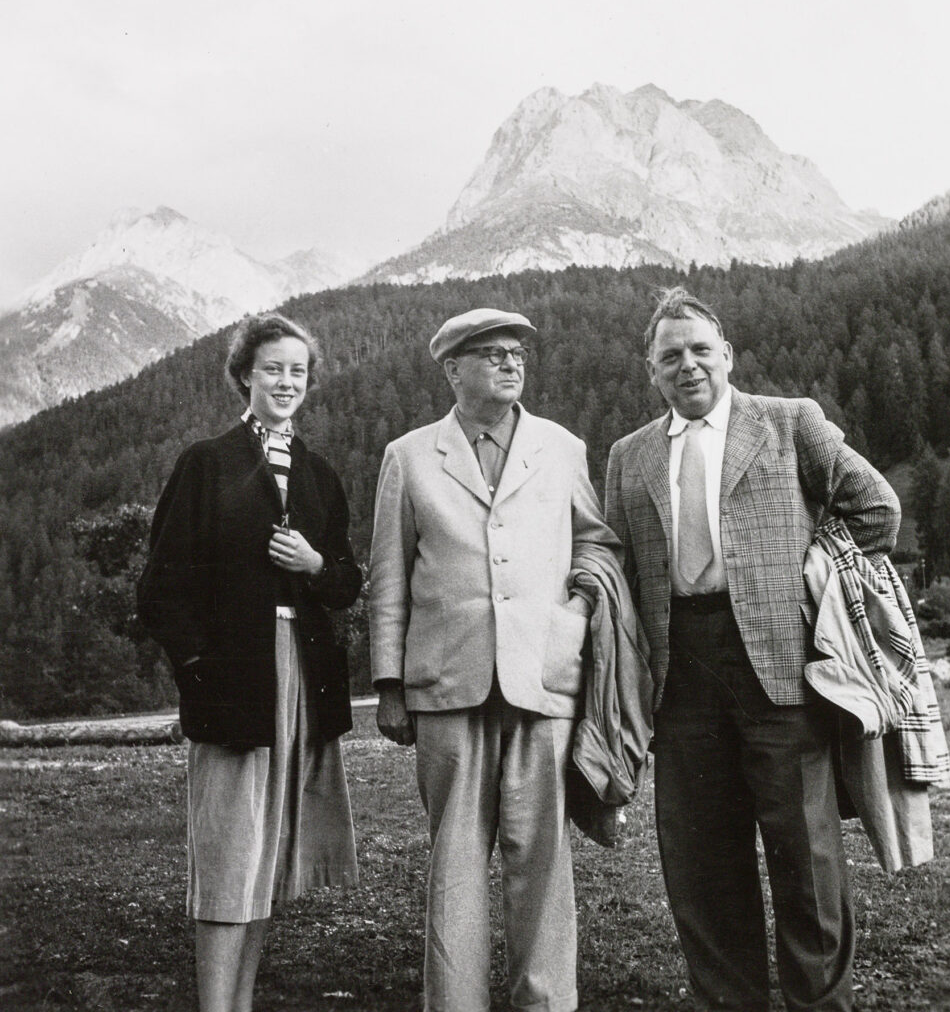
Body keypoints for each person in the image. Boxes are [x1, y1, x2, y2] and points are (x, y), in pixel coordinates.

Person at [604, 287, 901, 1012]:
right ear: (652, 371)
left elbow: (878, 507)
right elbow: (616, 561)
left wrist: (815, 586)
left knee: (808, 863)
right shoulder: (628, 455)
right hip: (680, 674)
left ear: (727, 355)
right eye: (670, 356)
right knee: (703, 870)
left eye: (701, 350)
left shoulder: (789, 423)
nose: (689, 366)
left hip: (784, 668)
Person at [369, 308, 621, 1012]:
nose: (511, 363)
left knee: (541, 859)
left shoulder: (561, 447)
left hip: (543, 678)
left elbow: (596, 543)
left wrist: (574, 612)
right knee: (454, 862)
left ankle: (547, 1002)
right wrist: (389, 682)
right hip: (446, 684)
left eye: (518, 352)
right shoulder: (410, 455)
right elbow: (388, 572)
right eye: (491, 353)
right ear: (452, 369)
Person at [137, 313, 361, 1012]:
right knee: (232, 850)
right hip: (235, 680)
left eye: (298, 370)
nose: (286, 381)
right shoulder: (208, 462)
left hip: (302, 675)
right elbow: (162, 590)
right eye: (272, 369)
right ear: (245, 376)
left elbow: (349, 583)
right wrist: (200, 670)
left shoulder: (320, 474)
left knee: (267, 854)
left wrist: (316, 564)